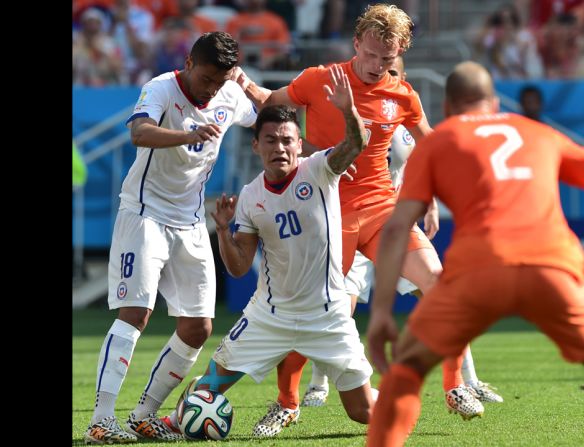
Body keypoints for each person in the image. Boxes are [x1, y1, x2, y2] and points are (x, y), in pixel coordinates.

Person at [229, 4, 489, 423]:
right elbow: (268, 102)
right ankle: (288, 403)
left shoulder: (403, 94)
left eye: (386, 59)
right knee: (311, 315)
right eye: (369, 54)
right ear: (356, 44)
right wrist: (240, 78)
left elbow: (432, 147)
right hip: (325, 213)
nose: (375, 65)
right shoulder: (320, 79)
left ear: (400, 52)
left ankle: (454, 386)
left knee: (438, 282)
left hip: (383, 209)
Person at [366, 61, 584, 446]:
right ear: (494, 103)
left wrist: (380, 312)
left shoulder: (438, 142)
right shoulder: (538, 133)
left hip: (478, 271)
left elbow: (396, 228)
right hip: (552, 268)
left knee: (405, 374)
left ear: (447, 108)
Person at [164, 65, 376, 438]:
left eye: (287, 140)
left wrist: (347, 110)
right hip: (268, 316)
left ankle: (400, 399)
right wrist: (224, 230)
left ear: (299, 144)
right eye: (271, 140)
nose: (279, 147)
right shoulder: (250, 196)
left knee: (365, 414)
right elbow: (239, 267)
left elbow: (355, 144)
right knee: (205, 389)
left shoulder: (320, 170)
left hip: (325, 316)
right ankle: (171, 422)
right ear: (256, 145)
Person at [83, 31, 258, 445]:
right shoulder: (160, 88)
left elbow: (264, 115)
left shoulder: (228, 94)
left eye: (221, 81)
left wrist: (251, 87)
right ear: (189, 64)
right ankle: (100, 419)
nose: (212, 89)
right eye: (207, 80)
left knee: (198, 327)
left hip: (191, 220)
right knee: (136, 314)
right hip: (144, 214)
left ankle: (144, 414)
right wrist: (188, 135)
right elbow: (139, 134)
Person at [301, 55, 502, 408]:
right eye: (379, 69)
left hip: (389, 218)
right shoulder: (359, 113)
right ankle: (317, 384)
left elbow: (422, 164)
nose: (383, 76)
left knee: (437, 289)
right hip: (351, 216)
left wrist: (433, 201)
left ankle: (467, 381)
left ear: (402, 77)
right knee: (336, 307)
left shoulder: (404, 120)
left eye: (392, 71)